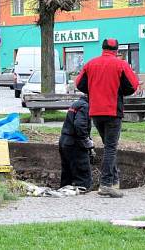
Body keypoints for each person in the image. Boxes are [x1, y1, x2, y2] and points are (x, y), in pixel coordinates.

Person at [75, 38, 139, 198]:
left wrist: (93, 91)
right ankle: (106, 184)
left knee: (108, 146)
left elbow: (79, 84)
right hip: (113, 111)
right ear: (117, 50)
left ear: (102, 48)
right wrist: (120, 91)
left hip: (95, 111)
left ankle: (115, 179)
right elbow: (133, 85)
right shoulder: (121, 64)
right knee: (110, 148)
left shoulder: (90, 64)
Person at [59, 95, 93, 190]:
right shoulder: (85, 106)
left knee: (67, 173)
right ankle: (83, 197)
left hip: (64, 141)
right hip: (75, 143)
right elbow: (79, 124)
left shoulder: (76, 104)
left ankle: (64, 192)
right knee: (83, 175)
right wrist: (86, 140)